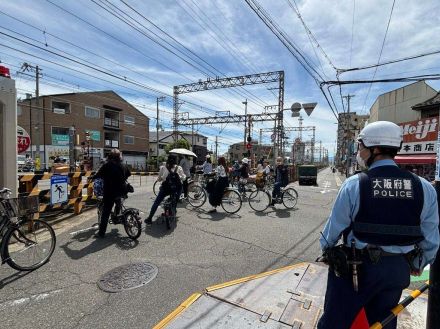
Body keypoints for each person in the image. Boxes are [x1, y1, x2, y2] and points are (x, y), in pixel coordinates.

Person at [317, 121, 440, 329]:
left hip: (355, 271)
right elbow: (431, 240)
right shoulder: (424, 187)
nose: (360, 152)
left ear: (374, 149)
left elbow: (332, 231)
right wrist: (418, 264)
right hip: (398, 269)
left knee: (335, 322)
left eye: (361, 146)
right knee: (383, 322)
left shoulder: (355, 184)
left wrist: (326, 249)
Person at [93, 149, 131, 238]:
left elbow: (98, 175)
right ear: (119, 157)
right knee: (118, 204)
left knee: (106, 212)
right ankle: (116, 218)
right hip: (122, 190)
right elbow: (128, 174)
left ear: (110, 156)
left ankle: (101, 233)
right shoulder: (123, 165)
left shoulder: (107, 165)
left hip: (110, 192)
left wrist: (92, 177)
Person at [144, 155, 185, 225]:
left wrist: (161, 178)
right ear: (176, 161)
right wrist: (180, 177)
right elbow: (184, 178)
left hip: (165, 188)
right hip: (175, 189)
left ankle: (149, 218)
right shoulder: (179, 168)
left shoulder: (163, 168)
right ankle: (173, 211)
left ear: (167, 160)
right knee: (174, 200)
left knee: (156, 202)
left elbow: (159, 179)